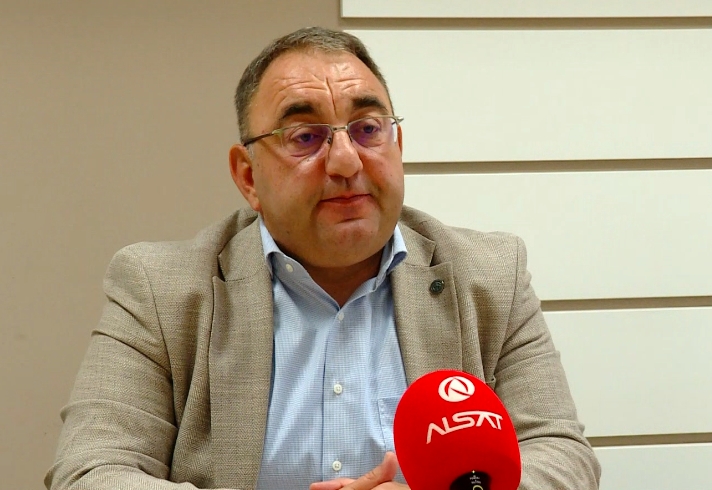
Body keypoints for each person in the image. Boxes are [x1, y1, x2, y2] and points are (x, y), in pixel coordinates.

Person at [45, 27, 601, 490]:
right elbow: (92, 470)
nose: (345, 161)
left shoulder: (489, 274)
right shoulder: (161, 289)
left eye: (367, 130)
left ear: (397, 147)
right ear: (248, 176)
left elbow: (562, 456)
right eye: (306, 136)